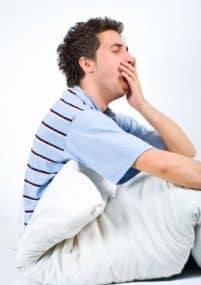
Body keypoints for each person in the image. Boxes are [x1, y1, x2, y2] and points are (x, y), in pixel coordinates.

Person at [23, 16, 201, 226]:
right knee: (173, 191)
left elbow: (183, 152)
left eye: (127, 50)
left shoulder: (103, 116)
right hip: (58, 246)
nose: (130, 59)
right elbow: (167, 168)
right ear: (87, 64)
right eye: (117, 50)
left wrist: (142, 104)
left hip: (73, 229)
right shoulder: (80, 119)